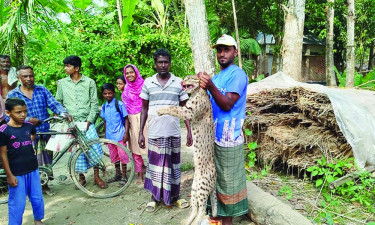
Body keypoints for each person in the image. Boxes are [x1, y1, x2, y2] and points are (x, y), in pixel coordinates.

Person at [198, 34, 249, 225]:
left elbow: (227, 104)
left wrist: (210, 85)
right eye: (219, 50)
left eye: (226, 49)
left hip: (230, 138)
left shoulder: (237, 74)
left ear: (235, 52)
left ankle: (226, 222)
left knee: (228, 184)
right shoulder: (219, 76)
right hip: (215, 137)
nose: (222, 53)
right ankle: (216, 220)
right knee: (216, 181)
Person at [139, 48, 193, 212]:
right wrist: (141, 132)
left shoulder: (178, 83)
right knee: (155, 167)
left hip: (173, 132)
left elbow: (185, 109)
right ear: (155, 64)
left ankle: (175, 197)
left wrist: (189, 131)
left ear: (170, 63)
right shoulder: (148, 83)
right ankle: (154, 198)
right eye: (160, 62)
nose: (163, 65)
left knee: (173, 167)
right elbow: (144, 109)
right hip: (155, 133)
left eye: (166, 62)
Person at [6, 65, 70, 194]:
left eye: (31, 75)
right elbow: (8, 118)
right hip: (25, 135)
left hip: (43, 132)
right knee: (28, 163)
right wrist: (28, 119)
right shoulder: (13, 94)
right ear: (19, 78)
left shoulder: (42, 90)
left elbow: (54, 104)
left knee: (45, 162)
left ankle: (44, 185)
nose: (29, 78)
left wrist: (63, 113)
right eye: (25, 76)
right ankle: (30, 189)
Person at [55, 55, 107, 189]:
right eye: (65, 66)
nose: (65, 68)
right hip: (71, 123)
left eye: (68, 66)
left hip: (87, 123)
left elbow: (94, 104)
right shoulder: (62, 83)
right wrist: (64, 116)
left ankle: (96, 176)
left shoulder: (89, 82)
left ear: (76, 68)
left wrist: (89, 121)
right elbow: (58, 102)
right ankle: (81, 178)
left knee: (94, 148)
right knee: (75, 151)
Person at [0, 98, 44, 225]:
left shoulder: (29, 126)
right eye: (18, 112)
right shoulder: (4, 130)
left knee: (37, 198)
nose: (23, 115)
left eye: (25, 111)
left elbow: (32, 134)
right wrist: (9, 175)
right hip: (16, 173)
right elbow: (2, 155)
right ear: (8, 113)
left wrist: (25, 144)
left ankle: (38, 219)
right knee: (17, 202)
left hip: (33, 169)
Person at [122, 64, 147, 184]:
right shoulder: (126, 89)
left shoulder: (145, 85)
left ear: (136, 72)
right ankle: (140, 174)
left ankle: (155, 172)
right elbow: (125, 110)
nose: (129, 75)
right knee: (136, 149)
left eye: (131, 72)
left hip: (146, 118)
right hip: (132, 120)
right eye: (127, 73)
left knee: (151, 147)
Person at [100, 83, 129, 183]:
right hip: (110, 136)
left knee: (123, 155)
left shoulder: (119, 104)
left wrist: (126, 133)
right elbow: (105, 121)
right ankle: (118, 174)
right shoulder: (104, 107)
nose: (107, 95)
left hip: (120, 135)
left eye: (110, 93)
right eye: (105, 93)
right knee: (114, 156)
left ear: (113, 93)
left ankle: (124, 176)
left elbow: (126, 119)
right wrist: (105, 136)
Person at [0, 55, 17, 125]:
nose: (6, 64)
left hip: (13, 101)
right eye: (3, 62)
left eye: (8, 62)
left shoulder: (15, 74)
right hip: (1, 102)